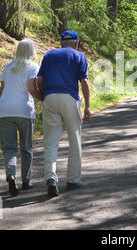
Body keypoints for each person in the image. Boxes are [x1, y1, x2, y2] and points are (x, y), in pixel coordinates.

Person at [36, 30, 91, 197]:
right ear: (76, 43)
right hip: (69, 98)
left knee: (51, 141)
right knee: (74, 139)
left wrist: (44, 96)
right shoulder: (79, 56)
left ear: (61, 43)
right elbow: (84, 82)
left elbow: (39, 81)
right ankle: (73, 180)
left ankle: (51, 178)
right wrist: (87, 106)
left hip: (50, 98)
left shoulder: (49, 55)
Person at [0, 38, 40, 197]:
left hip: (5, 110)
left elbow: (2, 88)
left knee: (9, 148)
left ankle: (11, 175)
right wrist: (42, 98)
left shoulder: (8, 66)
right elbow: (31, 89)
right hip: (24, 110)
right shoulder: (33, 66)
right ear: (32, 51)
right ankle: (26, 181)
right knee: (26, 147)